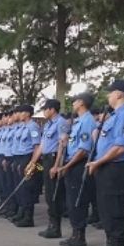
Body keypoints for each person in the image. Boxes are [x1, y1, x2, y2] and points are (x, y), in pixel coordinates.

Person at [88, 79, 124, 246]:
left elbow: (121, 147)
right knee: (106, 209)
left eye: (110, 93)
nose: (108, 96)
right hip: (106, 167)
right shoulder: (115, 115)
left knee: (115, 209)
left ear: (118, 94)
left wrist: (98, 162)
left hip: (115, 168)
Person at [56, 93, 96, 246]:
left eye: (74, 101)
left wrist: (66, 166)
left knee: (78, 201)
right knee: (71, 201)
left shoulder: (87, 121)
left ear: (81, 103)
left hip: (78, 164)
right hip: (71, 163)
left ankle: (80, 237)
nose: (72, 104)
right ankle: (74, 234)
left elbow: (83, 150)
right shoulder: (78, 121)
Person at [37, 99, 70, 238]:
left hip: (54, 158)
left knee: (55, 194)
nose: (44, 112)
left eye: (45, 109)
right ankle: (52, 225)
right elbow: (43, 144)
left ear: (52, 109)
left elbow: (62, 145)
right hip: (46, 159)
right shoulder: (47, 125)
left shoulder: (61, 123)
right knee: (49, 195)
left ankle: (56, 228)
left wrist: (57, 166)